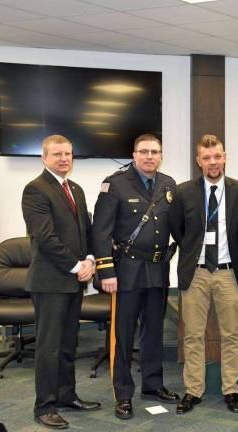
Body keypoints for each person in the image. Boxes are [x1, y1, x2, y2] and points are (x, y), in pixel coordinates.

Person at [91, 133, 179, 420]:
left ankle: (152, 385)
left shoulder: (168, 184)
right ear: (134, 153)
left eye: (155, 151)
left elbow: (176, 226)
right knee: (123, 335)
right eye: (144, 151)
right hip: (125, 272)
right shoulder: (114, 184)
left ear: (161, 155)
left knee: (154, 331)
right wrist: (106, 270)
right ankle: (124, 393)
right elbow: (101, 231)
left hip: (157, 270)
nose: (150, 156)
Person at [168, 134, 238, 414]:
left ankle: (231, 390)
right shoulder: (183, 193)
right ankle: (193, 391)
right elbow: (178, 231)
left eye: (217, 156)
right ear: (198, 161)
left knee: (231, 335)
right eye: (206, 158)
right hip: (196, 273)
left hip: (229, 273)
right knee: (193, 335)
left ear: (225, 157)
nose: (213, 162)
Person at [21, 134, 100, 430]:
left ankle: (67, 396)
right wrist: (77, 265)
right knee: (49, 346)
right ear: (44, 158)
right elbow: (46, 238)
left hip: (72, 282)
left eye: (68, 154)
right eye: (57, 154)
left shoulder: (75, 189)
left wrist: (91, 259)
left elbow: (86, 230)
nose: (64, 159)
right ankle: (44, 405)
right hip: (50, 282)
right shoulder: (35, 190)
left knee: (68, 343)